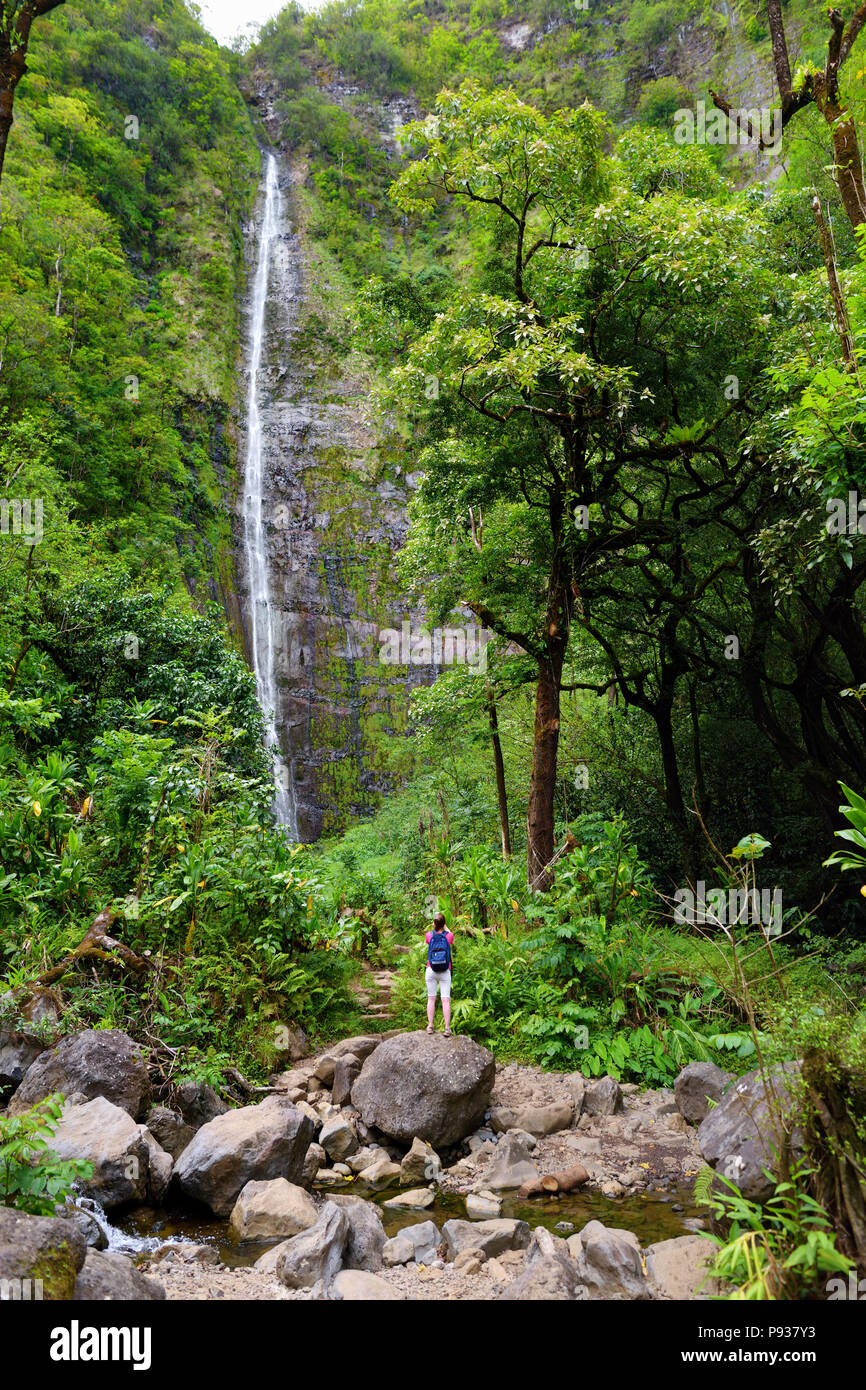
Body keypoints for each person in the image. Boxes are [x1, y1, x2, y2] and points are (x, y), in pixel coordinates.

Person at [425, 912, 454, 1036]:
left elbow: (428, 942)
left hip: (431, 969)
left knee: (431, 998)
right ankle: (447, 1028)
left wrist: (436, 926)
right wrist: (444, 927)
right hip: (445, 970)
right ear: (444, 923)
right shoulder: (449, 936)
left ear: (434, 923)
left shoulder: (428, 935)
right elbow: (450, 934)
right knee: (445, 1000)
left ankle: (430, 1026)